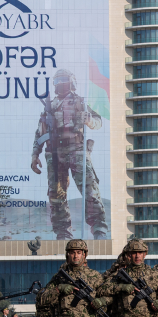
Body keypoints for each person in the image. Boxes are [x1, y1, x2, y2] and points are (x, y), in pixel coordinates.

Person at [30, 68, 109, 240]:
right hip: (54, 154)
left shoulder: (80, 102)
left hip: (76, 150)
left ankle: (99, 229)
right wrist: (35, 155)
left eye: (64, 80)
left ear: (71, 82)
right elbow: (40, 133)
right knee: (56, 195)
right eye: (58, 81)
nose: (61, 84)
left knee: (90, 190)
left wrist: (87, 119)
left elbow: (98, 122)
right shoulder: (49, 106)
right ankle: (62, 232)